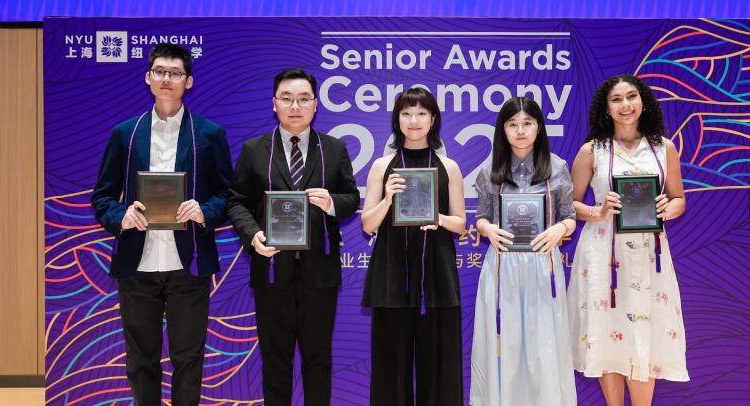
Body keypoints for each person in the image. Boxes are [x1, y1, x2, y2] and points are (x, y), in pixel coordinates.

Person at [90, 43, 233, 406]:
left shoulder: (209, 133)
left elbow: (227, 195)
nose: (167, 79)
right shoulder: (125, 133)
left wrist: (204, 210)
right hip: (137, 263)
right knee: (141, 360)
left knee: (188, 358)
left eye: (175, 73)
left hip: (190, 263)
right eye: (160, 72)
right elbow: (102, 196)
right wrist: (121, 216)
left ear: (189, 81)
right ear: (148, 78)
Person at [226, 68, 360, 406]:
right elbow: (236, 201)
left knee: (318, 360)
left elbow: (352, 198)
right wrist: (253, 235)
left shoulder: (333, 148)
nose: (295, 106)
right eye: (286, 99)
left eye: (303, 99)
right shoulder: (255, 150)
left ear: (315, 104)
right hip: (272, 270)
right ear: (274, 104)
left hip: (320, 273)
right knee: (275, 361)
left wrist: (331, 203)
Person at [567, 74, 690, 406]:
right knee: (608, 332)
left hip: (650, 254)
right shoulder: (592, 150)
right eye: (617, 99)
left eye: (632, 96)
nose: (626, 105)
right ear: (606, 109)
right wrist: (598, 211)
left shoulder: (664, 147)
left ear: (643, 102)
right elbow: (569, 205)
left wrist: (667, 208)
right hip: (604, 252)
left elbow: (679, 199)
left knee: (645, 331)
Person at [360, 87, 467, 406]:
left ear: (433, 119)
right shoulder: (382, 166)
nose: (414, 120)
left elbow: (460, 224)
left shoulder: (449, 167)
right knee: (391, 369)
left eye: (421, 113)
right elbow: (367, 224)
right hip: (392, 275)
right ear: (397, 120)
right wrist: (388, 199)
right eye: (406, 113)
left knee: (440, 368)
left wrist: (437, 218)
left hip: (436, 276)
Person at [469, 97, 578, 406]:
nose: (520, 131)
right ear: (502, 129)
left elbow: (569, 216)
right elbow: (481, 217)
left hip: (543, 264)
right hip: (503, 264)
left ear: (538, 127)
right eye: (512, 124)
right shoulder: (489, 169)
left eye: (527, 123)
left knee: (544, 342)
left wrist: (560, 229)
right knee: (505, 340)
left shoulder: (557, 167)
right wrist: (487, 229)